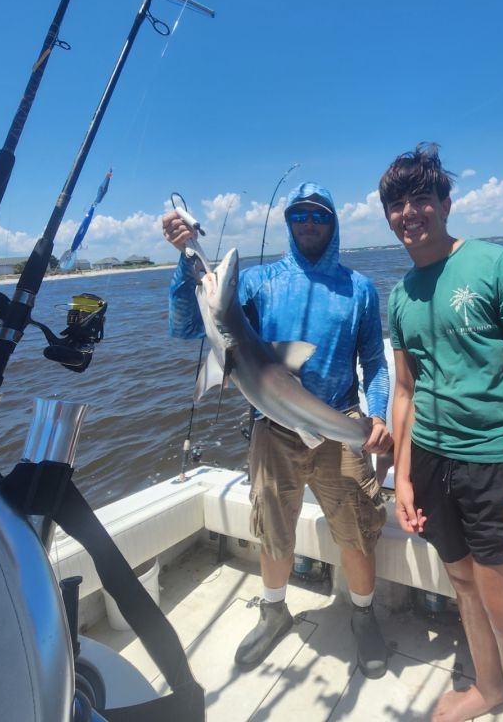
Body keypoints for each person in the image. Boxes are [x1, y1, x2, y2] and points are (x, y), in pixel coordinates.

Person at [162, 182, 393, 679]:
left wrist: (377, 415)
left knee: (357, 531)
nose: (309, 223)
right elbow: (186, 327)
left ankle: (364, 616)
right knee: (273, 529)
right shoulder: (259, 283)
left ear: (333, 223)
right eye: (299, 216)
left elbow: (374, 362)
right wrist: (186, 261)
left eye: (319, 215)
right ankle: (273, 612)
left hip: (340, 423)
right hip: (271, 428)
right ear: (288, 223)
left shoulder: (360, 289)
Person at [378, 144, 503, 722]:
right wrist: (402, 478)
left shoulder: (498, 265)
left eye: (421, 199)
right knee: (463, 586)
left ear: (445, 204)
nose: (410, 212)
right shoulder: (400, 295)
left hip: (496, 465)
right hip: (431, 462)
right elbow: (404, 390)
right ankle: (489, 688)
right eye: (397, 204)